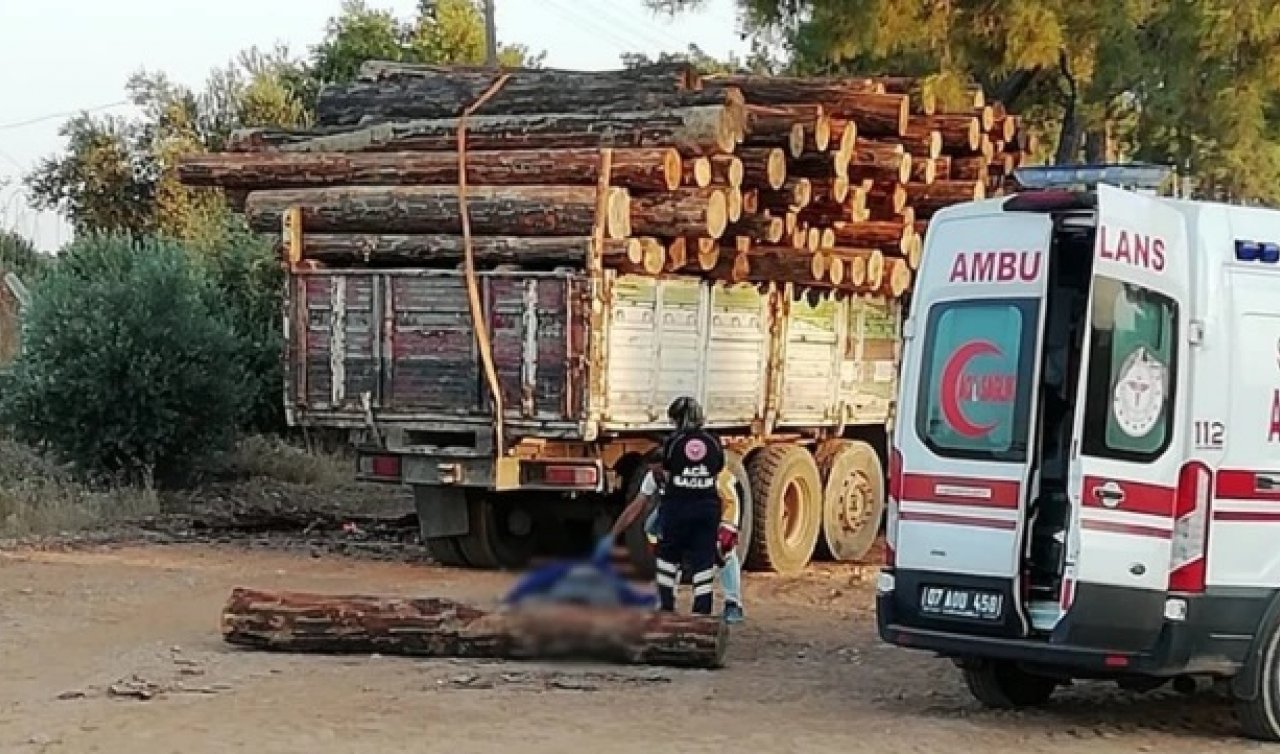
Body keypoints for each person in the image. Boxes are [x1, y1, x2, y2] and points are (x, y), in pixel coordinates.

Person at [603, 396, 729, 616]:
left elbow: (670, 469)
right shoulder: (714, 443)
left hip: (678, 509)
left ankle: (666, 607)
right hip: (707, 509)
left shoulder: (673, 443)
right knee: (703, 563)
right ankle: (701, 613)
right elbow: (717, 468)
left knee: (668, 559)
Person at [642, 462, 746, 624]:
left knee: (723, 551)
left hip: (723, 504)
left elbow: (730, 499)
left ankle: (733, 604)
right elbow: (651, 518)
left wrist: (728, 527)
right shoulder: (656, 476)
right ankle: (664, 602)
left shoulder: (704, 471)